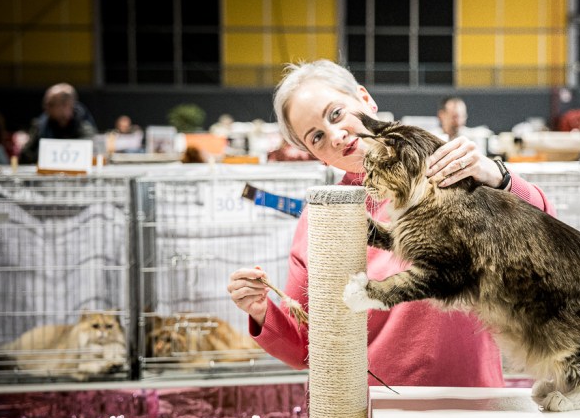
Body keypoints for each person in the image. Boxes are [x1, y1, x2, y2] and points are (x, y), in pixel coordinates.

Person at [227, 59, 555, 390]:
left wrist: (499, 177)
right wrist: (261, 311)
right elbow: (304, 344)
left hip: (471, 403)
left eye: (336, 113)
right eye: (317, 137)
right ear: (317, 156)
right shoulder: (322, 220)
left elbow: (547, 238)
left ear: (365, 99)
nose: (336, 135)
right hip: (366, 416)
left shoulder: (445, 166)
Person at [18, 83, 98, 164]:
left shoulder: (85, 128)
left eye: (51, 104)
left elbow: (91, 154)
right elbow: (25, 155)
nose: (45, 108)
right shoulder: (40, 126)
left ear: (66, 105)